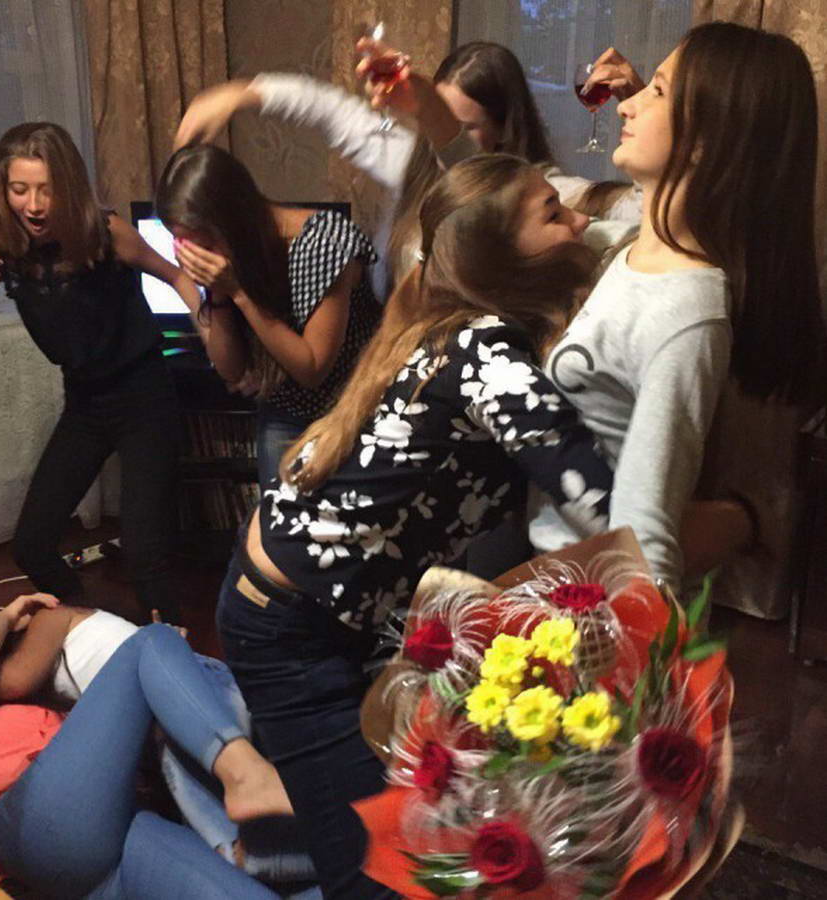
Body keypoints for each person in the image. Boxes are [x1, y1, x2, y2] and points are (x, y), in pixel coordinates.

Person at [216, 155, 614, 898]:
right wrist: (735, 521)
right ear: (498, 257)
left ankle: (276, 830)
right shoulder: (484, 348)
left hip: (315, 609)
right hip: (289, 627)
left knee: (383, 818)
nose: (579, 221)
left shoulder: (456, 325)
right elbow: (594, 498)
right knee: (373, 869)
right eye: (553, 213)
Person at [529, 23, 826, 588]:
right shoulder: (630, 247)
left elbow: (645, 540)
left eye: (658, 91)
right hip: (545, 573)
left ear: (710, 138)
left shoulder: (685, 312)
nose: (626, 105)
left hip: (575, 601)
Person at [0, 122, 202, 623]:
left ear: (69, 186)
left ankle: (172, 646)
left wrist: (209, 327)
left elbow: (176, 275)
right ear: (2, 188)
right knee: (31, 545)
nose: (33, 205)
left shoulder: (106, 232)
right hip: (85, 403)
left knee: (145, 552)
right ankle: (91, 628)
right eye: (19, 189)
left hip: (145, 396)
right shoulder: (1, 245)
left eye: (47, 189)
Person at [173, 43, 638, 300]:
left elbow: (642, 214)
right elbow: (331, 112)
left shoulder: (544, 196)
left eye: (462, 128)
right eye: (431, 118)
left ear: (504, 127)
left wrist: (641, 107)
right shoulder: (416, 162)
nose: (440, 137)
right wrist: (244, 93)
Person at [0, 594, 314, 899]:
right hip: (25, 816)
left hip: (102, 852)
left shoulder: (73, 716)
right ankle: (247, 777)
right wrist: (8, 614)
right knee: (152, 639)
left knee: (289, 882)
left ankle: (260, 846)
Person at [156, 145, 382, 487]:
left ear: (231, 222)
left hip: (349, 411)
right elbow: (230, 369)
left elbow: (312, 368)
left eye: (203, 244)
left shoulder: (323, 242)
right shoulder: (236, 252)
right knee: (277, 516)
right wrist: (218, 293)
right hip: (283, 409)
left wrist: (239, 293)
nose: (197, 255)